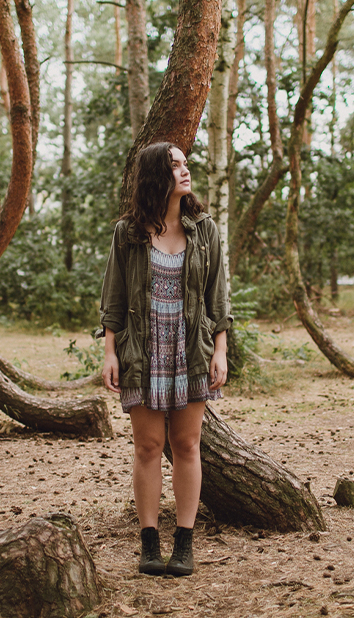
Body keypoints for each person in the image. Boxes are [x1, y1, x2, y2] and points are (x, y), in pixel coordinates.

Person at [98, 142, 232, 577]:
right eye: (175, 165)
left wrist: (221, 350)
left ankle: (185, 544)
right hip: (143, 351)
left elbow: (218, 296)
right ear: (157, 174)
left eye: (186, 163)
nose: (185, 170)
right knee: (148, 447)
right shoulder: (128, 233)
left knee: (187, 444)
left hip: (191, 349)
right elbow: (114, 300)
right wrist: (110, 354)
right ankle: (149, 542)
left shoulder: (205, 229)